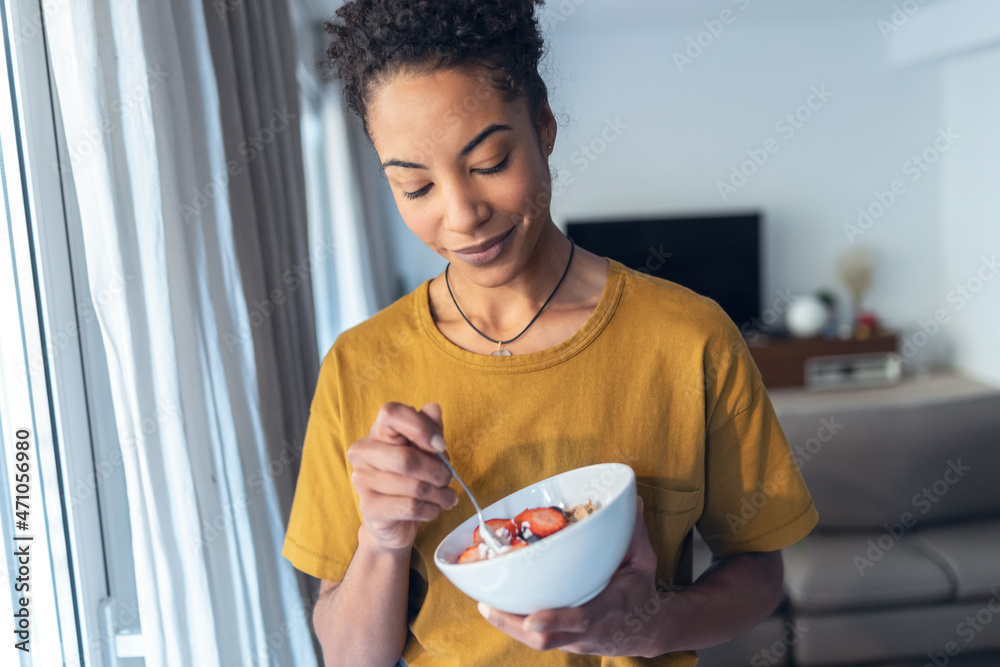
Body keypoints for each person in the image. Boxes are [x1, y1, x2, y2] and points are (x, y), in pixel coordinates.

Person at [282, 1, 818, 665]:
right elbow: (347, 655)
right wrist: (382, 538)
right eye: (416, 186)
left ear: (544, 126)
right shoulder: (359, 366)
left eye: (489, 162)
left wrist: (652, 623)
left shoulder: (690, 339)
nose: (462, 215)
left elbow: (761, 572)